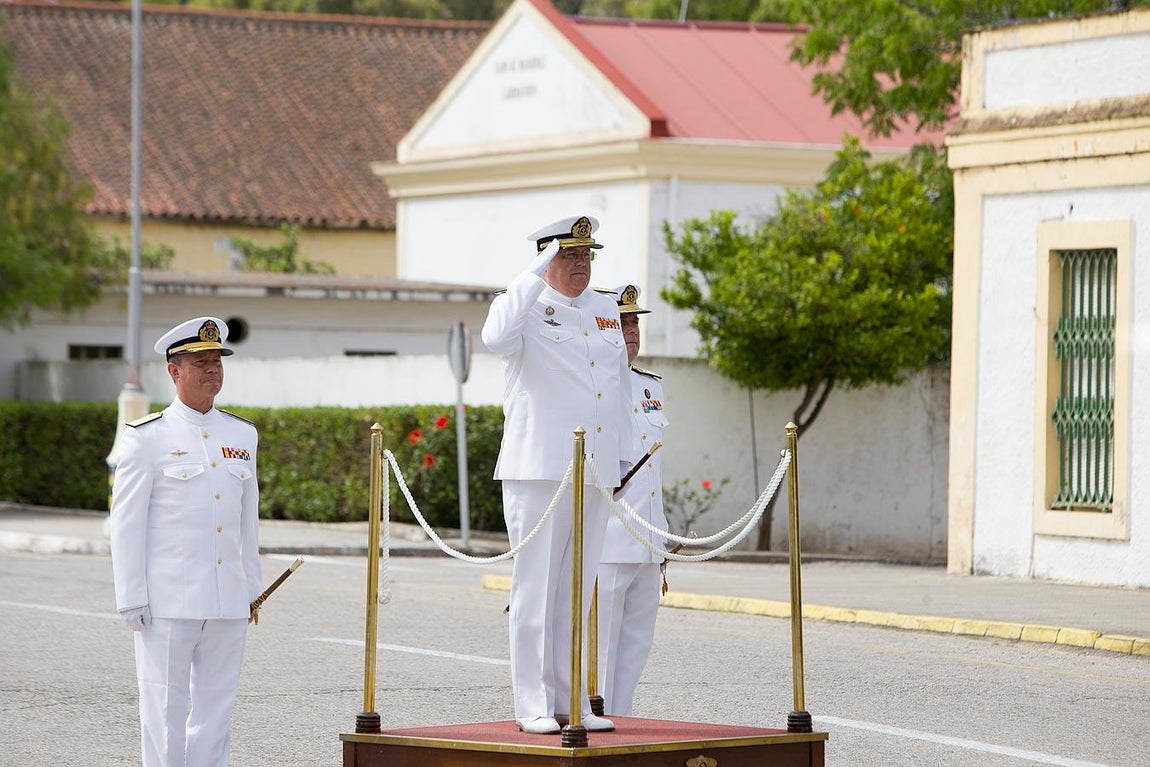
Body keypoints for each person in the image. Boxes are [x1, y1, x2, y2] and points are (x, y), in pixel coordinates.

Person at [481, 215, 632, 735]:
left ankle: (573, 700)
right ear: (545, 258)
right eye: (569, 255)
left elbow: (616, 388)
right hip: (540, 470)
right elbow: (494, 337)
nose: (581, 265)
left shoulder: (604, 308)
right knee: (536, 589)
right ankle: (532, 703)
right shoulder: (521, 306)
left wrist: (620, 460)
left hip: (595, 470)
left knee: (578, 588)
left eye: (586, 255)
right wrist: (534, 272)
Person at [110, 316, 262, 767]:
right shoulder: (146, 438)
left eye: (217, 360)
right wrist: (130, 597)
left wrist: (251, 589)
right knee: (164, 709)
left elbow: (247, 521)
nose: (212, 369)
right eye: (200, 362)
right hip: (168, 601)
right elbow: (126, 524)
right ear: (174, 371)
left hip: (227, 599)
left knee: (216, 711)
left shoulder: (242, 434)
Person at [597, 284, 670, 717]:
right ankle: (596, 715)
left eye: (635, 323)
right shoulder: (592, 387)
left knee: (637, 640)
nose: (631, 331)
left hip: (648, 537)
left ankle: (621, 717)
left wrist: (661, 536)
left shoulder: (650, 386)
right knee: (602, 641)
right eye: (621, 323)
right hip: (607, 538)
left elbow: (653, 471)